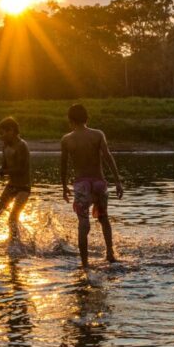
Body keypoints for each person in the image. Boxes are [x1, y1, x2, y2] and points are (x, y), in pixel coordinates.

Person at [60, 103, 123, 269]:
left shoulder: (67, 139)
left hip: (82, 185)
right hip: (99, 183)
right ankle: (110, 254)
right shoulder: (97, 134)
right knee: (104, 218)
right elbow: (108, 158)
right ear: (86, 118)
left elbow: (63, 166)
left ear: (70, 120)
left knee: (83, 222)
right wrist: (117, 181)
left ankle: (85, 263)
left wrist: (64, 187)